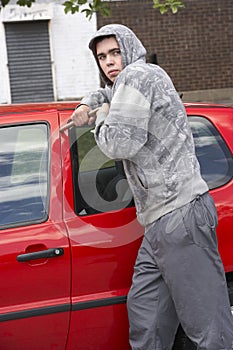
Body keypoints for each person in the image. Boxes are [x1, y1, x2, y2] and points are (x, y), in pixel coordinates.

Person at [71, 24, 233, 350]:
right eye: (102, 56)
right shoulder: (130, 82)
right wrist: (88, 102)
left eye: (115, 52)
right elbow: (107, 93)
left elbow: (119, 143)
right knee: (147, 315)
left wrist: (101, 116)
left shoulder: (140, 76)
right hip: (159, 222)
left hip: (180, 214)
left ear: (129, 48)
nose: (109, 62)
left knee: (206, 325)